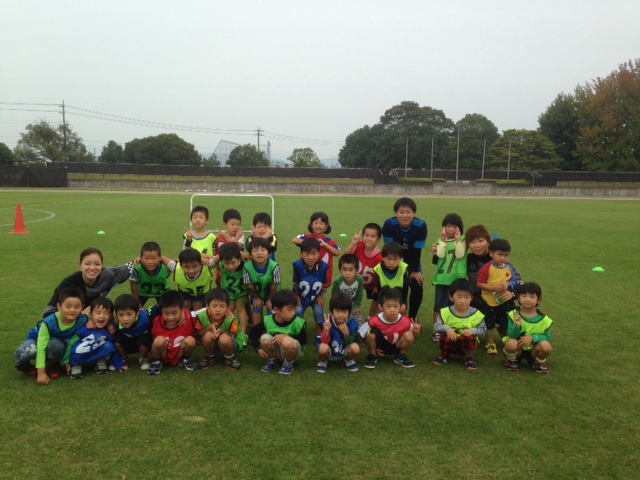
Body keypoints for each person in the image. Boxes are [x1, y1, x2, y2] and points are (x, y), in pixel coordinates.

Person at [15, 287, 88, 385]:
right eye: (68, 306)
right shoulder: (49, 322)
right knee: (24, 352)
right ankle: (24, 365)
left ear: (82, 307)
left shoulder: (83, 319)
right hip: (37, 341)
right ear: (59, 307)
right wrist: (41, 373)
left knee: (56, 345)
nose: (72, 310)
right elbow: (41, 347)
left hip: (55, 344)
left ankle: (53, 365)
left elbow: (99, 315)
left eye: (77, 307)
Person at [43, 247, 134, 318]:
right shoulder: (69, 285)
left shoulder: (108, 275)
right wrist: (83, 316)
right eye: (87, 264)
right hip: (67, 323)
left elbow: (131, 266)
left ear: (102, 265)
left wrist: (141, 260)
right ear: (80, 265)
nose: (92, 268)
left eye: (97, 264)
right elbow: (48, 313)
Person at [382, 197, 428, 320]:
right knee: (399, 287)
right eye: (401, 212)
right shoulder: (389, 224)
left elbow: (417, 250)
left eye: (408, 212)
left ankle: (412, 317)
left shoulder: (421, 225)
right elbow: (389, 249)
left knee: (417, 285)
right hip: (394, 259)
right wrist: (397, 267)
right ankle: (398, 316)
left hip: (413, 259)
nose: (405, 215)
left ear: (414, 213)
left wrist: (415, 270)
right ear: (396, 213)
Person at [61, 297, 127, 378]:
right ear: (91, 315)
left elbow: (114, 350)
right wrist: (67, 362)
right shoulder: (86, 328)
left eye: (106, 313)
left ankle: (100, 362)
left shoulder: (111, 330)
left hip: (96, 357)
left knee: (109, 345)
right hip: (80, 357)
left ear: (111, 317)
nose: (102, 316)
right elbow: (71, 343)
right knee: (76, 346)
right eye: (98, 313)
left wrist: (119, 364)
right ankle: (76, 365)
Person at [477, 238, 521, 355]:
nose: (503, 258)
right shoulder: (487, 268)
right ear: (491, 254)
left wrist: (508, 284)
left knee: (505, 319)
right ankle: (490, 341)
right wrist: (493, 288)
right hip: (489, 300)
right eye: (500, 254)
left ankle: (505, 335)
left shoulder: (508, 267)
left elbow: (514, 280)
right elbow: (480, 284)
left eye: (506, 255)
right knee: (489, 322)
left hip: (503, 300)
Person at [147, 290, 208, 375]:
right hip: (163, 352)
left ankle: (186, 359)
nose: (171, 317)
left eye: (174, 313)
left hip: (180, 352)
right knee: (159, 340)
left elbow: (208, 310)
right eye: (166, 313)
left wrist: (227, 312)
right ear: (161, 311)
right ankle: (156, 362)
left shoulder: (190, 317)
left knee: (190, 340)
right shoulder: (156, 320)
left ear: (182, 309)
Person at [360, 286, 421, 369]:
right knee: (370, 334)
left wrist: (416, 332)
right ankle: (372, 356)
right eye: (388, 306)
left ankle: (401, 356)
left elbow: (415, 337)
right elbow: (361, 334)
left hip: (396, 345)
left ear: (400, 306)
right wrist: (374, 348)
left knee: (409, 335)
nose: (392, 310)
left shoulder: (406, 321)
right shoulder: (375, 320)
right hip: (380, 346)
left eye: (395, 306)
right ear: (381, 307)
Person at [432, 280, 486, 371]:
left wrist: (472, 331)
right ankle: (444, 355)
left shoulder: (476, 314)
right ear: (451, 297)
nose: (463, 301)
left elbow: (483, 330)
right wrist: (448, 329)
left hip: (466, 343)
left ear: (471, 298)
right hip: (450, 342)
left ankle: (469, 358)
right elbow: (436, 326)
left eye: (466, 297)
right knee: (445, 335)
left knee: (469, 337)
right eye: (459, 297)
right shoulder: (445, 312)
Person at [250, 290, 307, 375]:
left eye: (294, 309)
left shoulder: (298, 322)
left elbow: (304, 340)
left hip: (293, 353)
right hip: (277, 351)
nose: (293, 313)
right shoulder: (268, 320)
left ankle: (288, 363)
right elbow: (253, 333)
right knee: (264, 338)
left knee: (287, 341)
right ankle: (272, 360)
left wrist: (287, 336)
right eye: (289, 310)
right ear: (276, 310)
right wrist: (258, 349)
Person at [431, 213, 467, 342]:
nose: (450, 229)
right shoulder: (440, 240)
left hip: (456, 280)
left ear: (459, 228)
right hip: (441, 278)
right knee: (439, 305)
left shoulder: (462, 240)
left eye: (454, 226)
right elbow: (440, 255)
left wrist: (457, 240)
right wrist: (442, 240)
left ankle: (452, 328)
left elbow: (459, 254)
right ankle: (437, 329)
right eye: (448, 226)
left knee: (453, 306)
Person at [504, 282, 553, 374]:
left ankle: (538, 362)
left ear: (539, 300)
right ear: (519, 298)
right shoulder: (514, 314)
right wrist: (517, 326)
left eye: (532, 297)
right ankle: (512, 361)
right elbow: (511, 335)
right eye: (524, 296)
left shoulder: (544, 319)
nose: (527, 299)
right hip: (517, 348)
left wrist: (533, 337)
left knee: (546, 346)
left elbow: (547, 336)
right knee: (511, 343)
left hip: (534, 350)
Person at [194, 288, 242, 371]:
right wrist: (209, 328)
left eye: (222, 306)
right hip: (212, 344)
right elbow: (200, 334)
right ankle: (210, 357)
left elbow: (235, 335)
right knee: (208, 335)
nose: (218, 310)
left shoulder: (230, 319)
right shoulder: (202, 316)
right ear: (207, 306)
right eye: (214, 306)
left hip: (229, 344)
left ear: (227, 307)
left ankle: (230, 357)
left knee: (224, 338)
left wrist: (222, 331)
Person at [292, 211, 340, 289]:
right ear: (311, 225)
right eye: (316, 223)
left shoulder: (329, 241)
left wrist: (326, 245)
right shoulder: (307, 236)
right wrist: (311, 242)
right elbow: (294, 240)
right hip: (305, 276)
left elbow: (338, 252)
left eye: (321, 223)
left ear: (326, 226)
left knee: (319, 298)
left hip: (322, 277)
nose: (318, 226)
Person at [344, 223, 383, 317]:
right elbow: (346, 256)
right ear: (363, 236)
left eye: (373, 236)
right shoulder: (359, 245)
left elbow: (381, 274)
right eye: (366, 235)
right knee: (349, 297)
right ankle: (346, 316)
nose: (369, 238)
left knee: (376, 299)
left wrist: (376, 286)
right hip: (356, 280)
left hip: (371, 283)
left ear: (379, 240)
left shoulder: (379, 257)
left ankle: (371, 318)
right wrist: (353, 244)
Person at [293, 237, 330, 335]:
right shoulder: (298, 265)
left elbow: (321, 283)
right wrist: (297, 296)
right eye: (307, 254)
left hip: (315, 295)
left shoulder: (323, 267)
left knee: (318, 311)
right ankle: (298, 332)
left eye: (314, 254)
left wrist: (318, 296)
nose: (310, 257)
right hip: (301, 295)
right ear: (301, 254)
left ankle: (319, 334)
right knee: (298, 310)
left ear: (319, 254)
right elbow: (297, 283)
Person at [216, 242, 250, 347]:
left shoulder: (245, 265)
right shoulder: (221, 264)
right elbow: (210, 259)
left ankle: (243, 333)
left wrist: (242, 253)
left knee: (240, 307)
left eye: (233, 263)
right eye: (227, 263)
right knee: (229, 309)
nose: (230, 266)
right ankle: (227, 330)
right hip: (228, 294)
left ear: (239, 258)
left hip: (242, 293)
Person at [316, 293, 360, 373]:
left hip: (344, 352)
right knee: (322, 348)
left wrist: (346, 333)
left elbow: (352, 342)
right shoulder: (326, 323)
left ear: (349, 313)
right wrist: (326, 331)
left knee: (355, 347)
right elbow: (322, 343)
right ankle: (323, 361)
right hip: (330, 351)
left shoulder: (351, 323)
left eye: (344, 311)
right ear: (332, 311)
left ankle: (348, 360)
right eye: (337, 311)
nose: (340, 315)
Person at [243, 237, 281, 328]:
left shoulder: (275, 267)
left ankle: (271, 330)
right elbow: (250, 285)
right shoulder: (247, 266)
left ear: (269, 254)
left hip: (273, 294)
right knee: (256, 308)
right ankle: (257, 331)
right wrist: (256, 297)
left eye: (263, 250)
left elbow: (274, 285)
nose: (259, 253)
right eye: (255, 250)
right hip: (257, 294)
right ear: (251, 255)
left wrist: (270, 299)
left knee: (271, 309)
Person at [112, 294, 153, 370]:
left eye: (129, 314)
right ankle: (123, 358)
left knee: (144, 340)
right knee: (116, 341)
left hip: (142, 342)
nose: (125, 319)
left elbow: (159, 308)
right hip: (128, 342)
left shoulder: (146, 318)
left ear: (137, 312)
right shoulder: (115, 323)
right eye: (121, 315)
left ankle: (143, 358)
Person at [129, 241, 171, 307]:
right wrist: (137, 303)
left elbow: (177, 265)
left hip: (162, 293)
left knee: (167, 308)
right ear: (141, 258)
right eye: (146, 258)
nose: (150, 262)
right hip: (142, 292)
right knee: (135, 309)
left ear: (160, 258)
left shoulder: (166, 268)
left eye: (154, 258)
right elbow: (133, 285)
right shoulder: (137, 270)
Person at [373, 242, 409, 314]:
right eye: (388, 259)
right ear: (383, 258)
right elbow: (379, 289)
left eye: (395, 259)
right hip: (385, 298)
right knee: (380, 313)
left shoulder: (403, 268)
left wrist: (404, 303)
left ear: (401, 258)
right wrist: (380, 303)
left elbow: (405, 289)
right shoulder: (379, 268)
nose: (391, 262)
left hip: (399, 299)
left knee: (403, 312)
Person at [465, 224, 493, 313]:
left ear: (488, 242)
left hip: (494, 299)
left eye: (481, 241)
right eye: (472, 242)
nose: (476, 245)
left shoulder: (496, 258)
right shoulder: (468, 258)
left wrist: (511, 293)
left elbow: (517, 279)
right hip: (474, 300)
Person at [331, 254, 364, 324]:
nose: (347, 273)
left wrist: (357, 305)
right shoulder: (337, 281)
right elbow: (334, 296)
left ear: (357, 270)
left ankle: (358, 332)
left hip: (354, 302)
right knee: (340, 320)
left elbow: (359, 293)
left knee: (358, 320)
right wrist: (335, 308)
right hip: (341, 303)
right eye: (344, 270)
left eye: (351, 270)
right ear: (340, 270)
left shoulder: (359, 279)